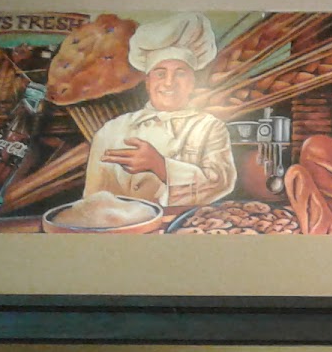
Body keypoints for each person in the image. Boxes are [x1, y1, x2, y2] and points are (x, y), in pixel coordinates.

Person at [82, 12, 235, 207]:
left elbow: (220, 183)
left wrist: (160, 166)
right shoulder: (111, 131)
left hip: (182, 224)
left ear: (192, 82)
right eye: (160, 74)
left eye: (180, 73)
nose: (169, 83)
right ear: (148, 82)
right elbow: (93, 202)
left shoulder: (210, 127)